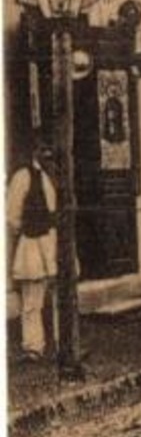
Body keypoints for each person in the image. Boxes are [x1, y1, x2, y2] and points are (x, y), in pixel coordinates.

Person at [7, 146, 59, 361]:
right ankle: (34, 347)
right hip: (33, 242)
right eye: (43, 150)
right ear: (35, 152)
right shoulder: (24, 176)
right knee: (32, 299)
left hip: (54, 241)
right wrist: (24, 229)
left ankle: (60, 342)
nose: (47, 155)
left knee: (59, 296)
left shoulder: (56, 175)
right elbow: (12, 215)